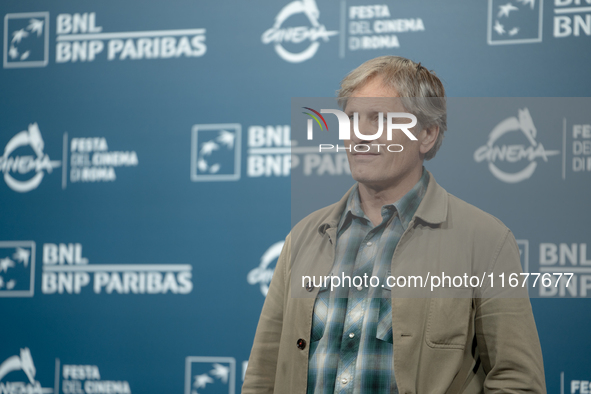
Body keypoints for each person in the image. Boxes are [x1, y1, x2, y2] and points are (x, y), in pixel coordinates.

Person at [242, 56, 546, 393]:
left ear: (427, 134)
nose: (360, 135)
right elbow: (263, 374)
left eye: (380, 120)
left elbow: (518, 380)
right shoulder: (303, 236)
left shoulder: (485, 240)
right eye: (353, 119)